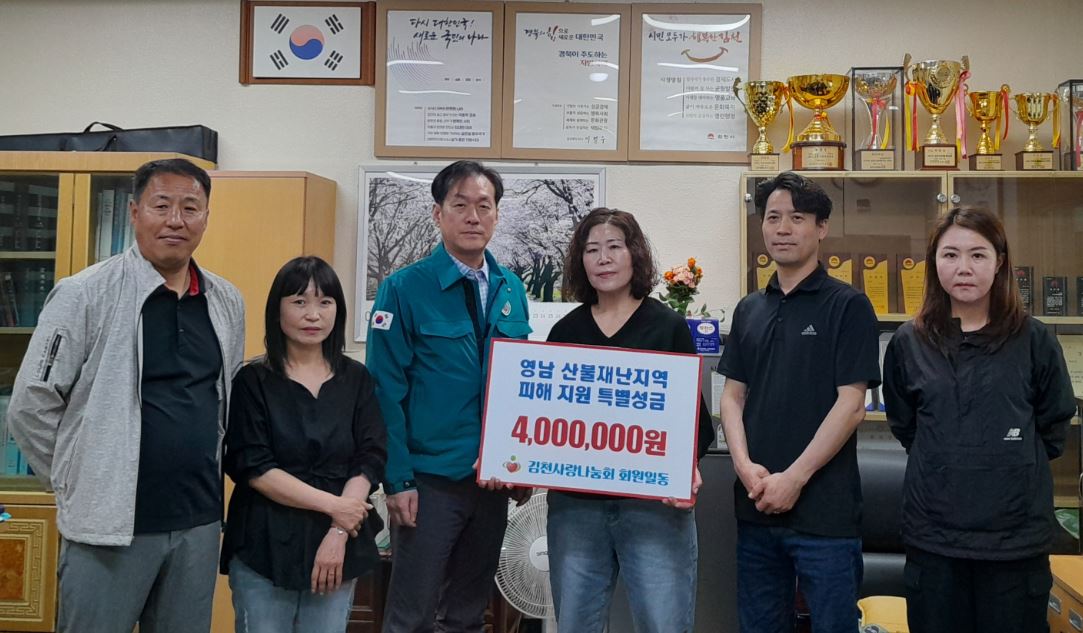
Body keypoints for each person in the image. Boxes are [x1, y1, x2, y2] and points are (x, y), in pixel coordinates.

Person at [6, 158, 245, 633]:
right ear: (135, 212)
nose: (176, 220)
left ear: (205, 218)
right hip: (109, 527)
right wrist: (77, 480)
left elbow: (225, 398)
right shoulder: (85, 293)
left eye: (190, 208)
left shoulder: (225, 300)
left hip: (197, 523)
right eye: (161, 205)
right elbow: (31, 402)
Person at [882, 207, 1076, 633]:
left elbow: (1054, 425)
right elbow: (906, 425)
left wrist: (1009, 460)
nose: (964, 268)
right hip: (935, 539)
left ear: (1000, 261)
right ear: (934, 262)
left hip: (1014, 543)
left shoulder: (1034, 339)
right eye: (950, 255)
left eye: (978, 255)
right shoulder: (909, 342)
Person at [365, 160, 532, 632]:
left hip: (491, 482)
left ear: (497, 214)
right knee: (411, 615)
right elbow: (384, 391)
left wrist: (521, 465)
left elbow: (521, 387)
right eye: (460, 205)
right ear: (438, 214)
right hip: (429, 482)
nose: (473, 217)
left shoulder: (511, 288)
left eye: (484, 206)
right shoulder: (403, 289)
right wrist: (397, 480)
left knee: (468, 613)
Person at [718, 171, 880, 633]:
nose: (783, 229)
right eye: (773, 218)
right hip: (756, 507)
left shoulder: (848, 306)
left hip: (824, 516)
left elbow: (852, 404)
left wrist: (794, 478)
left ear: (821, 227)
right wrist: (744, 467)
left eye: (797, 218)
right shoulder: (750, 308)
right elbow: (732, 397)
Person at [544, 207, 715, 633]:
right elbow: (545, 421)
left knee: (663, 624)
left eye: (614, 247)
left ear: (634, 254)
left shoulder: (668, 327)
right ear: (580, 261)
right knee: (575, 624)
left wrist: (686, 469)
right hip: (577, 507)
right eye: (591, 250)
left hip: (653, 506)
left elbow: (693, 421)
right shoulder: (565, 333)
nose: (603, 259)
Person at [220, 255, 386, 632]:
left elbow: (370, 457)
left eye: (325, 302)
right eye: (299, 301)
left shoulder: (356, 379)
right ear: (276, 310)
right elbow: (254, 466)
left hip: (339, 542)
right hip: (265, 541)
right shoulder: (252, 380)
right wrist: (337, 508)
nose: (313, 314)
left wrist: (339, 530)